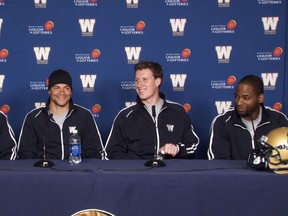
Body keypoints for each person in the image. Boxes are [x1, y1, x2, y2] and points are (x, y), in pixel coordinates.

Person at [105, 61, 199, 159]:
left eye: (145, 79)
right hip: (137, 173)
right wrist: (136, 166)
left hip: (171, 172)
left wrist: (177, 149)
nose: (139, 85)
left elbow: (192, 145)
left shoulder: (178, 112)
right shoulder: (125, 116)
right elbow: (111, 152)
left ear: (157, 81)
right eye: (137, 80)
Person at [17, 69, 104, 160]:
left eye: (66, 88)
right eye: (56, 88)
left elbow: (94, 152)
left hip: (77, 171)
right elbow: (25, 154)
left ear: (71, 92)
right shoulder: (34, 118)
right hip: (44, 171)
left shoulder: (84, 116)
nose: (62, 93)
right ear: (49, 91)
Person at [208, 74, 288, 160]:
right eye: (237, 97)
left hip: (269, 172)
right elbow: (218, 163)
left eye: (246, 98)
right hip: (233, 173)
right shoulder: (223, 122)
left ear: (260, 98)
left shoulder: (278, 120)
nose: (239, 102)